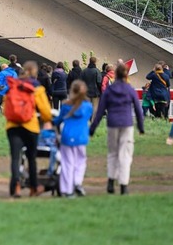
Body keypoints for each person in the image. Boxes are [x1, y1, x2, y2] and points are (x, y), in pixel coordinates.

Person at [90, 64, 144, 195]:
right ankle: (123, 186)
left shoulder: (110, 90)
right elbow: (138, 109)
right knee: (125, 154)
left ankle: (110, 181)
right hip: (126, 123)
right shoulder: (130, 89)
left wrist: (92, 128)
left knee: (112, 153)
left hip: (112, 123)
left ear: (116, 74)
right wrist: (141, 127)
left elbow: (100, 110)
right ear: (125, 75)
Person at [6, 61, 53, 198]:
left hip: (13, 126)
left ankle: (16, 186)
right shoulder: (36, 87)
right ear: (35, 72)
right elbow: (45, 110)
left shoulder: (14, 85)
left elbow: (6, 104)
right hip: (30, 125)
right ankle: (33, 187)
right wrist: (47, 119)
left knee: (15, 158)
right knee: (31, 158)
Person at [53, 80, 93, 198]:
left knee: (67, 163)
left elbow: (58, 120)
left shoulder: (66, 105)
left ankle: (67, 189)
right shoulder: (88, 106)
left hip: (67, 136)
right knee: (80, 162)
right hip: (81, 137)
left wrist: (51, 122)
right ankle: (77, 182)